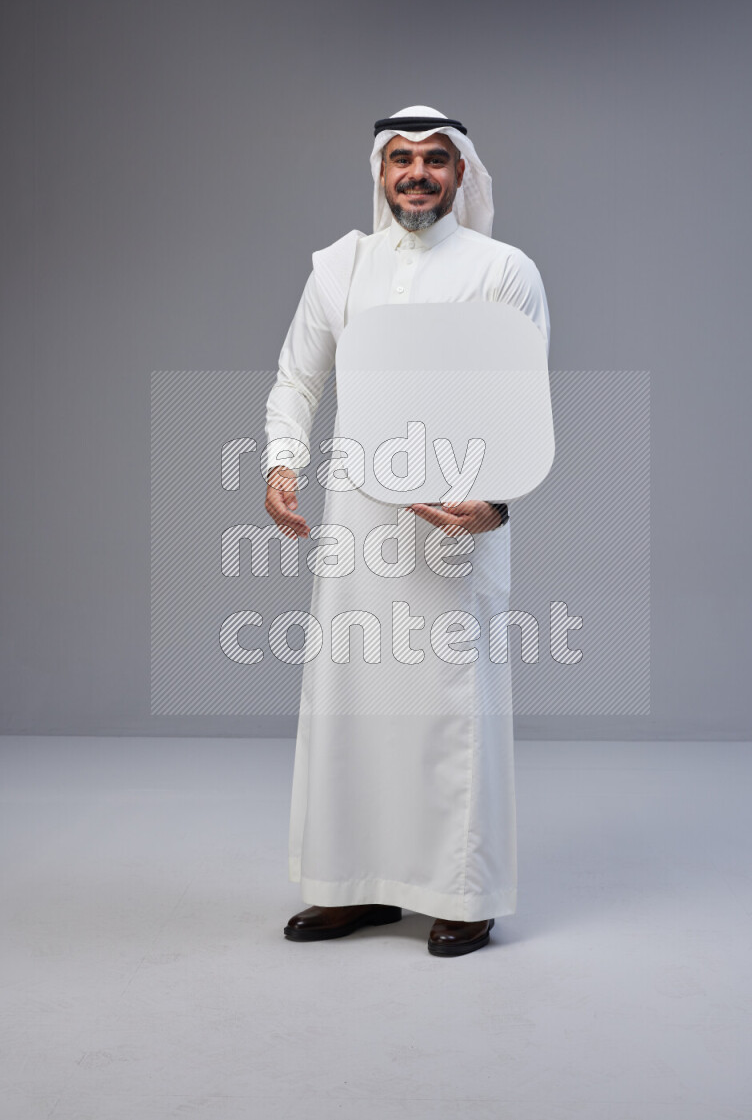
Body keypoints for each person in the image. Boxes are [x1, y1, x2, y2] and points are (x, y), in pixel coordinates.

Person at [264, 105, 550, 957]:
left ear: (462, 173)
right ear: (380, 171)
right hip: (358, 517)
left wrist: (495, 503)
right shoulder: (340, 268)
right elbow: (296, 377)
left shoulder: (504, 270)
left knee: (450, 707)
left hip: (454, 518)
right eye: (401, 159)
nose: (416, 173)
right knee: (353, 700)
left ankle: (463, 891)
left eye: (434, 159)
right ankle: (352, 887)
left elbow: (523, 400)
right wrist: (282, 465)